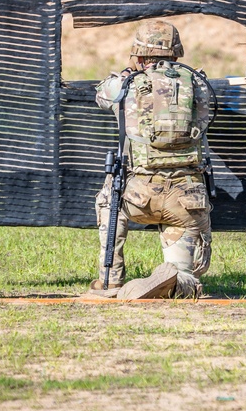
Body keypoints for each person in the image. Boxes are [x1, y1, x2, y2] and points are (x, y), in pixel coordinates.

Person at [88, 19, 213, 300]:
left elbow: (101, 94)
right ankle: (180, 281)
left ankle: (111, 280)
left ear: (139, 54)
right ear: (177, 53)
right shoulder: (199, 84)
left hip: (137, 196)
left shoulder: (125, 85)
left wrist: (129, 71)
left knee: (109, 198)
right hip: (187, 199)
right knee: (183, 276)